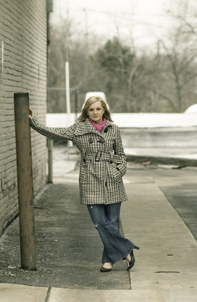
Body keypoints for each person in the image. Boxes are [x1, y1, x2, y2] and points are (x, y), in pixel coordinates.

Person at [28, 95, 138, 272]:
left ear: (104, 110)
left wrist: (118, 171)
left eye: (98, 109)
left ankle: (108, 261)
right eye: (91, 109)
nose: (95, 112)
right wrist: (33, 122)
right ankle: (126, 249)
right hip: (90, 178)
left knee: (113, 221)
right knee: (99, 222)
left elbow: (121, 154)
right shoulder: (78, 129)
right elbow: (54, 132)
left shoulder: (114, 129)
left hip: (112, 179)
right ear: (86, 111)